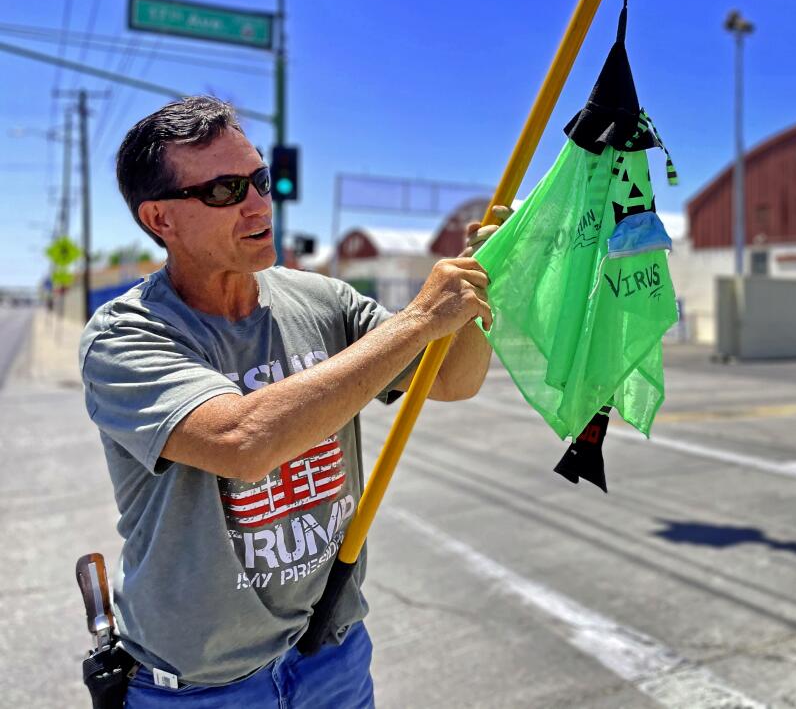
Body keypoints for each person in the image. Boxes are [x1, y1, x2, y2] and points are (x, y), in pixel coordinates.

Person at [79, 96, 509, 707]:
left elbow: (451, 381)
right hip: (202, 688)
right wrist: (417, 319)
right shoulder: (127, 336)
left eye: (259, 180)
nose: (258, 203)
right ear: (160, 219)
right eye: (225, 191)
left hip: (330, 656)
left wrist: (476, 291)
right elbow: (242, 442)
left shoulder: (323, 301)